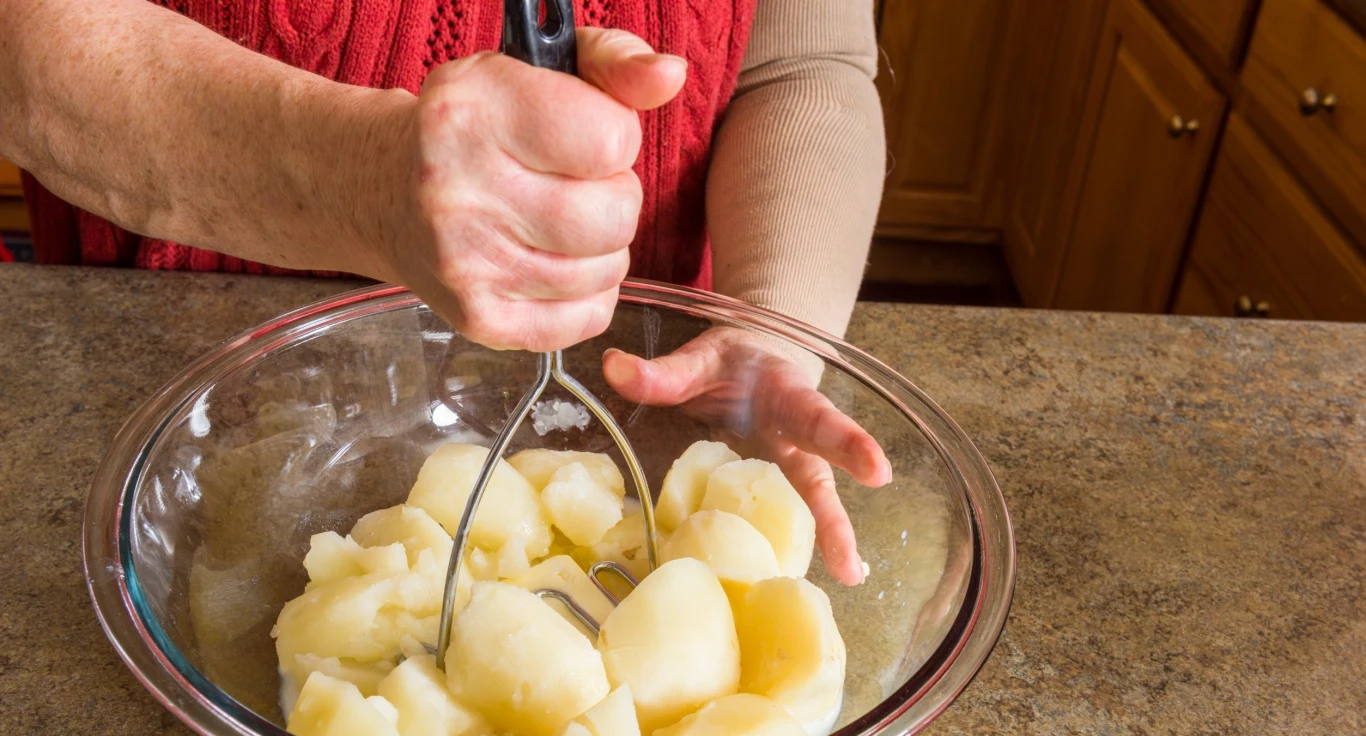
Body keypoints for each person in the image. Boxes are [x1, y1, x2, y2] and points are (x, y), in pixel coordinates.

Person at [0, 0, 890, 583]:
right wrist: (356, 177)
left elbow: (804, 62)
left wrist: (771, 317)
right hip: (182, 408)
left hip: (644, 394)